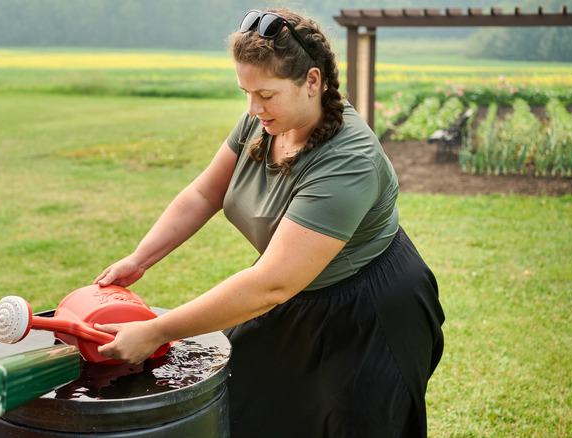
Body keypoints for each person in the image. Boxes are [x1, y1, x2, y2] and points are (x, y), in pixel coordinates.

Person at [94, 8, 445, 437]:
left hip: (368, 314)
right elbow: (205, 193)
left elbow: (270, 285)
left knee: (351, 423)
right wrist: (140, 259)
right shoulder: (262, 124)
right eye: (246, 92)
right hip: (293, 292)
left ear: (312, 82)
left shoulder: (349, 161)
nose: (253, 107)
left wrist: (157, 330)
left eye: (266, 94)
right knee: (246, 406)